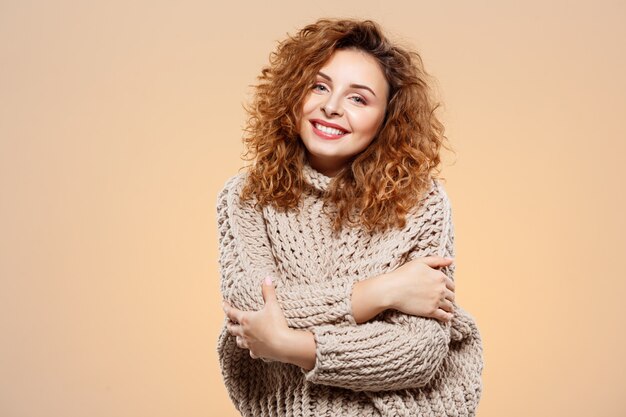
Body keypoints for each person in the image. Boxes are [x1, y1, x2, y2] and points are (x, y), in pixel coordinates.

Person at [216, 17, 484, 417]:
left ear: (387, 119)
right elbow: (253, 310)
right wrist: (384, 292)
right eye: (319, 86)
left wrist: (291, 346)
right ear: (293, 93)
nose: (331, 106)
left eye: (358, 98)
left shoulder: (420, 202)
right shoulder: (246, 196)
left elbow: (417, 353)